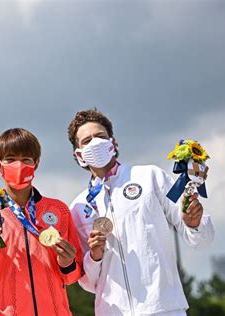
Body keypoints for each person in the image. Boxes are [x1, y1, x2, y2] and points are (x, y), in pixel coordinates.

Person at [67, 109, 214, 315]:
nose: (95, 143)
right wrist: (95, 256)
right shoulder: (77, 208)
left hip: (163, 306)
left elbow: (201, 240)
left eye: (100, 136)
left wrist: (193, 223)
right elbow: (87, 282)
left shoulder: (150, 177)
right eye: (87, 140)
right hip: (113, 311)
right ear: (79, 155)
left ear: (113, 143)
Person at [0, 128, 83, 316]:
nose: (18, 165)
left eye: (26, 159)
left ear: (36, 163)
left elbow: (72, 277)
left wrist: (67, 262)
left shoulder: (59, 210)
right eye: (10, 159)